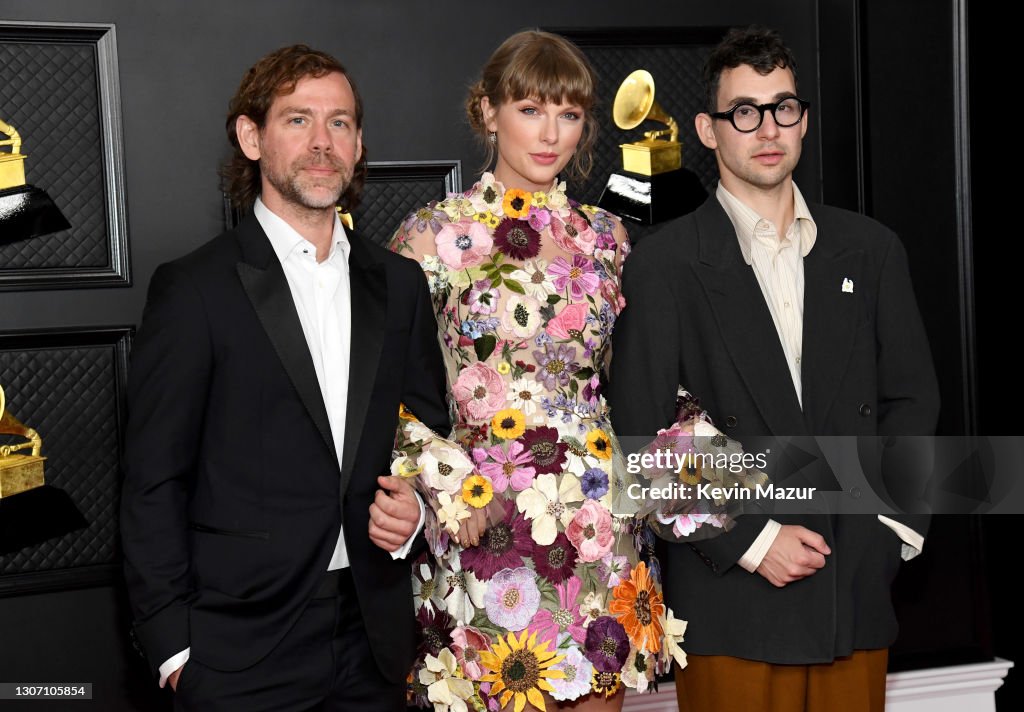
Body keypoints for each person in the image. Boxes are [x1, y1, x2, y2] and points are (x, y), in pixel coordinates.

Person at [388, 30, 758, 712]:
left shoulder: (606, 239)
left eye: (569, 113)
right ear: (487, 110)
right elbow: (380, 387)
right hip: (487, 526)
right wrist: (448, 481)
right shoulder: (431, 235)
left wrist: (748, 495)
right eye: (531, 109)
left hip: (598, 529)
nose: (550, 132)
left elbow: (644, 382)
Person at [609, 26, 940, 712]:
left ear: (804, 120)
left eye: (783, 108)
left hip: (852, 589)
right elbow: (641, 432)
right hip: (734, 601)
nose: (767, 129)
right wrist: (755, 541)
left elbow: (911, 401)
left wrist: (889, 534)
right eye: (744, 112)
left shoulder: (871, 250)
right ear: (708, 129)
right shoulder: (664, 264)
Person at [119, 44, 449, 711]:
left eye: (341, 123)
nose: (323, 142)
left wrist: (415, 509)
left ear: (358, 144)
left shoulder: (400, 284)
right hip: (238, 647)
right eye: (298, 120)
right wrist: (174, 649)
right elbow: (153, 480)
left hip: (373, 638)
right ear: (251, 136)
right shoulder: (194, 289)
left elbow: (424, 432)